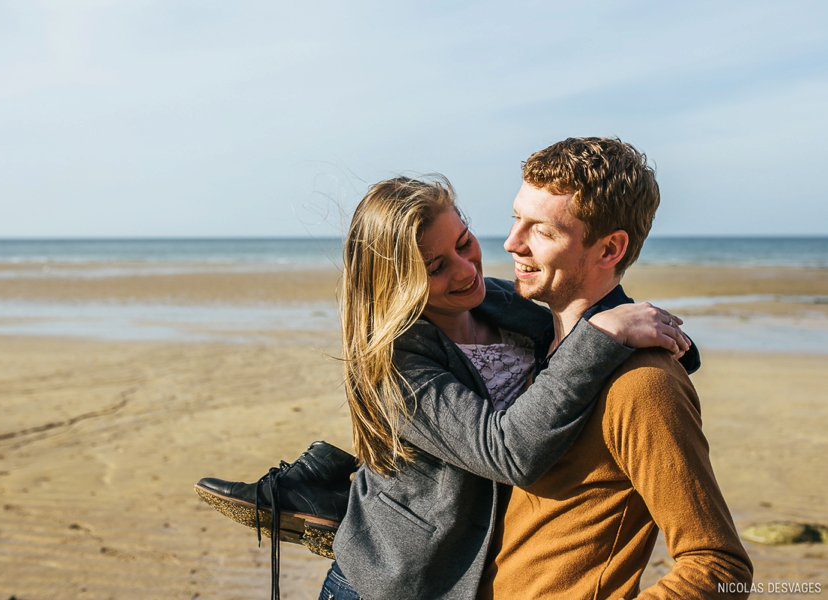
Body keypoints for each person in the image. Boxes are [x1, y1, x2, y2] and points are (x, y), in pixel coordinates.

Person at [196, 175, 689, 600]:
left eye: (464, 240)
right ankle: (341, 514)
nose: (467, 268)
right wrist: (604, 333)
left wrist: (645, 332)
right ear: (395, 284)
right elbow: (507, 452)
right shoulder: (394, 367)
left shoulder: (497, 301)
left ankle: (333, 500)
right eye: (435, 268)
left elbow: (587, 341)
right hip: (398, 585)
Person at [475, 137, 753, 599]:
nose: (511, 243)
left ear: (610, 250)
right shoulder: (538, 347)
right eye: (515, 219)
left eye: (542, 231)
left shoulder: (643, 384)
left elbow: (719, 567)